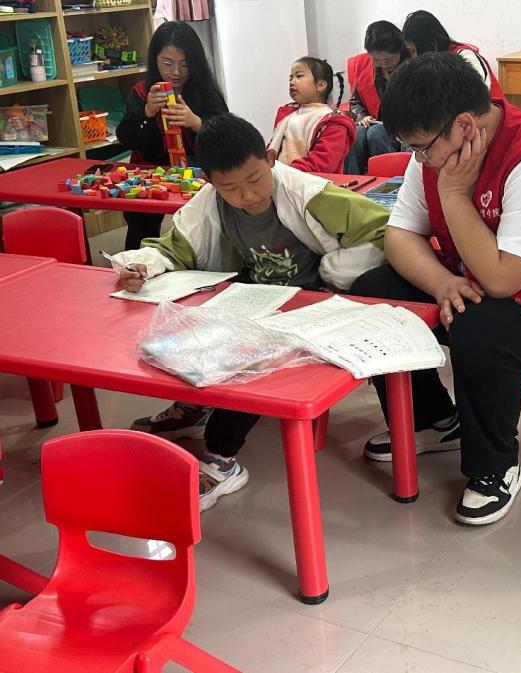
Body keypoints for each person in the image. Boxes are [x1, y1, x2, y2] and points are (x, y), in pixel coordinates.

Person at [349, 53, 521, 526]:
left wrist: (453, 194)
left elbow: (502, 280)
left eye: (421, 148)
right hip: (475, 278)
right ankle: (433, 420)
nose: (419, 159)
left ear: (464, 126)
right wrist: (441, 281)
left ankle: (496, 466)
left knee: (480, 327)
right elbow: (400, 235)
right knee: (375, 291)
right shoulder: (438, 150)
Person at [112, 113, 389, 511]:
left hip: (312, 302)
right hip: (253, 300)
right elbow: (174, 247)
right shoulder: (210, 204)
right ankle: (194, 409)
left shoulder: (308, 193)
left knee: (251, 353)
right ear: (210, 181)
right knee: (182, 330)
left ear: (271, 159)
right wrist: (141, 265)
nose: (248, 196)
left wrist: (336, 272)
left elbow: (383, 228)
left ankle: (221, 456)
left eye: (255, 179)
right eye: (231, 188)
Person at [117, 21, 228, 250]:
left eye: (184, 65)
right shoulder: (142, 91)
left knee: (206, 219)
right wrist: (147, 112)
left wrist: (196, 123)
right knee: (140, 218)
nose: (176, 72)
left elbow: (227, 135)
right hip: (151, 170)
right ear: (155, 60)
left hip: (196, 169)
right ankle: (137, 260)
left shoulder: (205, 91)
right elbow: (126, 137)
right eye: (167, 64)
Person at [343, 21, 411, 175]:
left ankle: (387, 183)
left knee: (377, 133)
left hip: (402, 127)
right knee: (355, 133)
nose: (383, 65)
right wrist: (362, 116)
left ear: (399, 50)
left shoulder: (412, 69)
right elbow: (355, 102)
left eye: (388, 60)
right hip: (374, 122)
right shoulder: (366, 69)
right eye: (377, 60)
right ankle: (352, 182)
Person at [269, 56, 355, 174]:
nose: (292, 82)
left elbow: (322, 163)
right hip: (280, 178)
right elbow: (271, 149)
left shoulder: (334, 122)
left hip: (314, 182)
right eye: (290, 78)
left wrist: (283, 173)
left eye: (299, 76)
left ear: (321, 85)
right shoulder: (287, 115)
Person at [401, 10, 503, 98]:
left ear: (431, 44)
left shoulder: (466, 57)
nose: (413, 57)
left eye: (414, 51)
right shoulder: (429, 66)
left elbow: (475, 98)